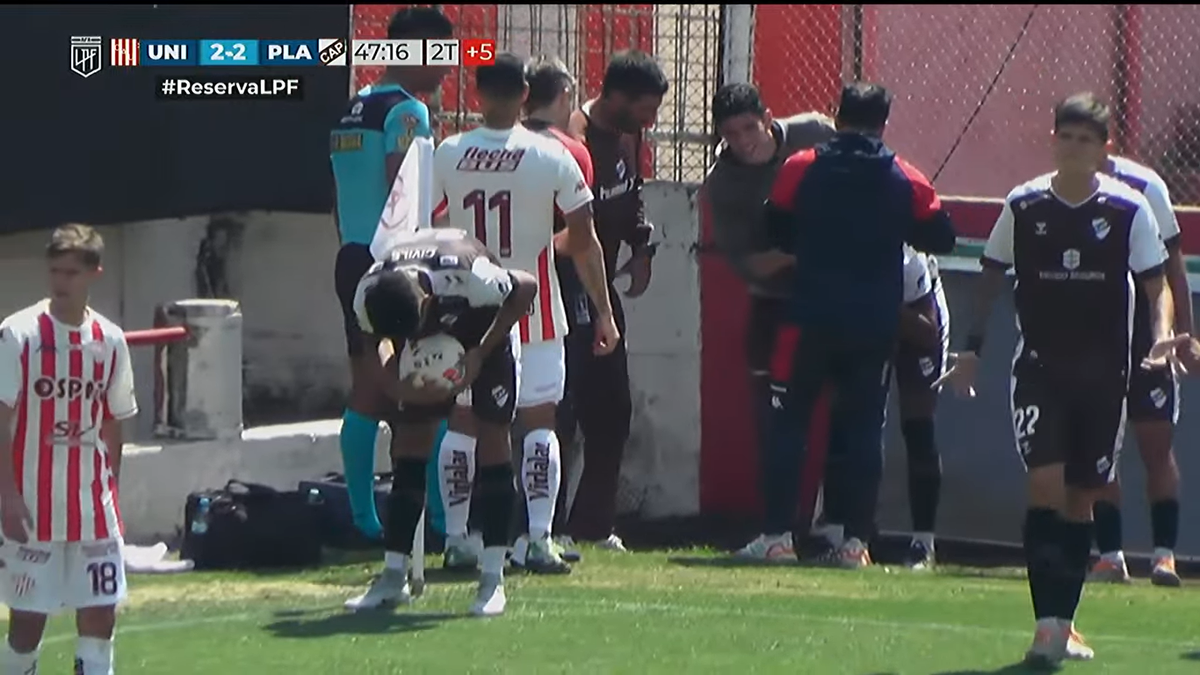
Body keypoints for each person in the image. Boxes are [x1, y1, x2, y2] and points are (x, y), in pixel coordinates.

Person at [937, 92, 1182, 667]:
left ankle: (1064, 623)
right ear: (1054, 140)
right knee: (1044, 486)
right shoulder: (1024, 205)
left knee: (1081, 499)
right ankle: (1045, 626)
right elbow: (991, 277)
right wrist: (972, 349)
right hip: (1040, 372)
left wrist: (1163, 332)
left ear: (1104, 149)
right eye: (1064, 137)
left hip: (1105, 381)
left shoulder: (1128, 208)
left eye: (1085, 140)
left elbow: (1156, 284)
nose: (1072, 149)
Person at [753, 82, 957, 569]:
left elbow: (775, 229)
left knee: (789, 425)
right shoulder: (905, 177)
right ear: (884, 123)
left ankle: (779, 535)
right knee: (865, 430)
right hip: (873, 323)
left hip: (809, 315)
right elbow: (942, 236)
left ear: (836, 115)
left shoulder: (801, 166)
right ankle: (854, 544)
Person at [429, 53, 618, 575]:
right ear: (526, 94)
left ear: (477, 94)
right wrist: (603, 312)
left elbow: (428, 228)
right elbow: (584, 238)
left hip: (467, 311)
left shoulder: (448, 152)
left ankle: (457, 538)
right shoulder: (550, 156)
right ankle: (538, 539)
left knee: (463, 423)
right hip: (533, 308)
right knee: (540, 423)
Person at [342, 227, 538, 617]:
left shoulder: (473, 275)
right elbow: (370, 350)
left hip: (481, 331)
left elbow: (527, 287)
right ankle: (393, 576)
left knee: (493, 440)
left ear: (427, 299)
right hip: (425, 350)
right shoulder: (368, 292)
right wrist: (400, 386)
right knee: (411, 446)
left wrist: (479, 355)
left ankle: (492, 579)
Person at [696, 82, 838, 562]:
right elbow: (749, 265)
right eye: (729, 134)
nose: (742, 141)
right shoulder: (724, 184)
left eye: (748, 128)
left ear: (768, 117)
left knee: (851, 413)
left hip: (838, 300)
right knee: (776, 420)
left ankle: (842, 529)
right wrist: (806, 254)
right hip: (776, 304)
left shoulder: (815, 132)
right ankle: (779, 528)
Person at [329, 6, 454, 541]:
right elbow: (404, 195)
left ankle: (363, 520)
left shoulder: (354, 108)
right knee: (424, 386)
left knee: (368, 387)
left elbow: (343, 197)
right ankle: (441, 521)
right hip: (394, 261)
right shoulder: (408, 113)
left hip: (351, 256)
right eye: (442, 54)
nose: (447, 68)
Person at [0, 224, 138, 674]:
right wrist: (7, 496)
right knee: (27, 621)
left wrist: (112, 491)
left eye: (70, 273)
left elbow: (115, 419)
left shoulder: (111, 340)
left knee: (100, 612)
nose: (60, 282)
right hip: (32, 505)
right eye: (54, 271)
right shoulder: (17, 335)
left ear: (94, 273)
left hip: (93, 506)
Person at [560, 49, 667, 550]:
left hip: (602, 293)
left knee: (612, 411)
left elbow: (632, 192)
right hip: (566, 289)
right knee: (561, 412)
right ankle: (545, 524)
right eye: (645, 110)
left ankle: (592, 525)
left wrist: (642, 245)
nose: (650, 121)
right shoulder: (575, 141)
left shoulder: (625, 135)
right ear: (617, 97)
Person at [1088, 153, 1196, 586]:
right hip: (1096, 339)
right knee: (1100, 447)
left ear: (1106, 143)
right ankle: (1111, 555)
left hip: (1149, 334)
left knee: (1155, 442)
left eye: (1088, 139)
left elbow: (1174, 264)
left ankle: (1163, 556)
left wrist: (1184, 334)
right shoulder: (1055, 190)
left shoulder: (1145, 186)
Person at [516, 54, 600, 566]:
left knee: (478, 414)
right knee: (551, 411)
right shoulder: (569, 151)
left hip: (486, 288)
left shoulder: (474, 148)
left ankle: (476, 527)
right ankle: (546, 527)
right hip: (551, 287)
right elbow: (582, 235)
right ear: (564, 96)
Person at [893, 245, 950, 569]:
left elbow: (926, 330)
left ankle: (923, 541)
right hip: (867, 318)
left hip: (915, 318)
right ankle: (846, 531)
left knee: (918, 425)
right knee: (851, 417)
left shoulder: (906, 260)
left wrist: (881, 302)